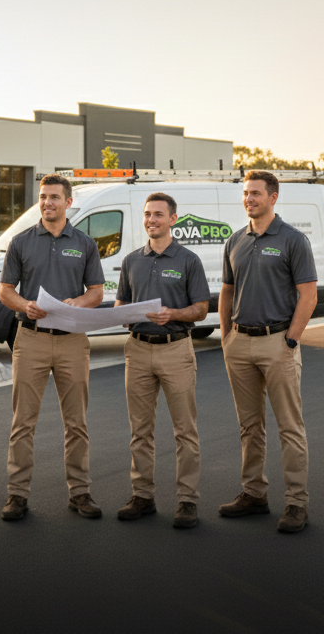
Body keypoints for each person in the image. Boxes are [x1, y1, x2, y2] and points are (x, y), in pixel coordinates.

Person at [0, 173, 105, 521]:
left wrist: (80, 302)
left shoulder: (86, 243)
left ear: (68, 202)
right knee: (23, 422)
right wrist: (22, 304)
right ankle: (17, 494)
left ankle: (80, 492)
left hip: (72, 340)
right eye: (43, 197)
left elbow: (97, 292)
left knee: (76, 422)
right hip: (30, 339)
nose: (47, 203)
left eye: (54, 198)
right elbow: (5, 290)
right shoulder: (21, 241)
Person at [218, 170, 317, 533]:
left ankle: (296, 503)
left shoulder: (293, 240)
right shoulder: (234, 241)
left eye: (256, 193)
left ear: (273, 197)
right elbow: (227, 292)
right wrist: (227, 335)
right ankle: (254, 493)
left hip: (278, 342)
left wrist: (291, 339)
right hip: (239, 344)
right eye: (246, 194)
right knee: (249, 426)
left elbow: (308, 294)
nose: (249, 199)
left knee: (289, 427)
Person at [114, 192, 210, 528]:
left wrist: (174, 313)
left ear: (173, 219)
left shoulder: (188, 260)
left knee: (185, 430)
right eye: (147, 214)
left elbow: (201, 309)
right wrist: (123, 314)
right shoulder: (131, 261)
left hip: (175, 348)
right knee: (140, 430)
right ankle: (142, 496)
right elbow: (120, 303)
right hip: (137, 348)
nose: (151, 220)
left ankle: (187, 500)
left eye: (158, 214)